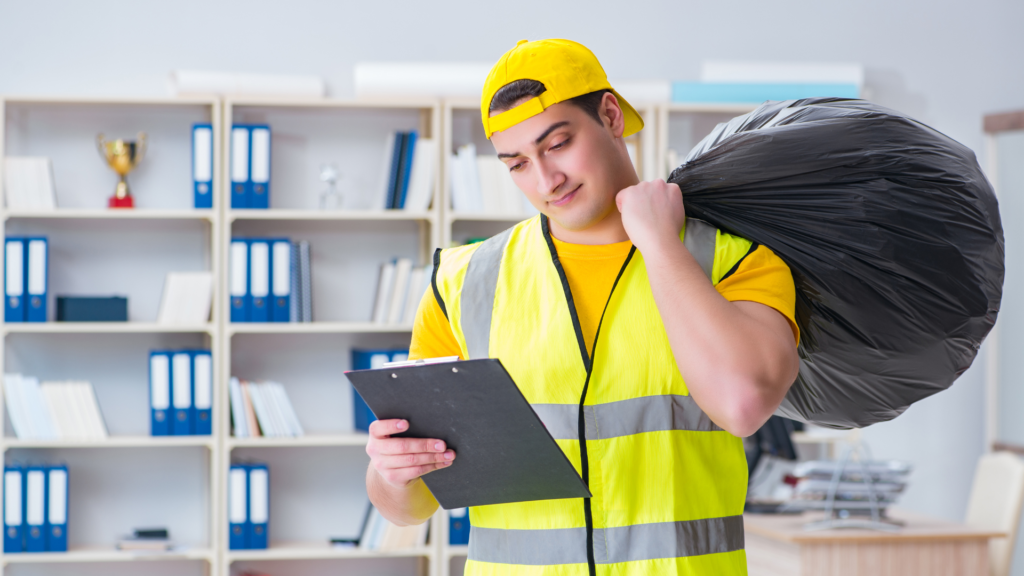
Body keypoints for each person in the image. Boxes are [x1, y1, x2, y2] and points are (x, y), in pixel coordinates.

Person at [365, 38, 800, 575]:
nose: (546, 181)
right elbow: (407, 508)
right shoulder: (462, 283)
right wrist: (391, 473)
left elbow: (742, 403)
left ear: (611, 116)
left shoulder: (733, 262)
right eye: (518, 163)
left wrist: (662, 246)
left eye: (558, 144)